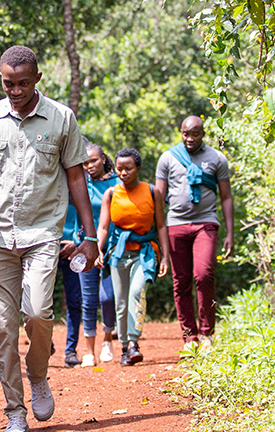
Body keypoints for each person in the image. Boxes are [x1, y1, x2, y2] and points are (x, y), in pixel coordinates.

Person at [0, 45, 97, 432]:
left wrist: (90, 237)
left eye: (23, 83)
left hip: (44, 234)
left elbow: (76, 177)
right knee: (4, 328)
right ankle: (14, 413)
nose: (16, 90)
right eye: (8, 83)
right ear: (1, 79)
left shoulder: (61, 118)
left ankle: (38, 374)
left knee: (38, 313)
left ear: (37, 79)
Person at [155, 115, 234, 349]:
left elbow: (226, 198)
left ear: (203, 134)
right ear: (181, 132)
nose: (190, 138)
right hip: (175, 224)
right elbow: (159, 200)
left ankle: (207, 333)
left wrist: (230, 233)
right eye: (185, 133)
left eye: (195, 134)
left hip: (206, 223)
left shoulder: (217, 158)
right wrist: (157, 235)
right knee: (181, 282)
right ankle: (190, 336)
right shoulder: (167, 158)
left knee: (204, 274)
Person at [97, 148, 169, 366]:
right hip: (119, 253)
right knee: (120, 301)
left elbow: (161, 225)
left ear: (138, 168)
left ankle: (134, 343)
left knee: (137, 293)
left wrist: (165, 256)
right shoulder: (111, 194)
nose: (123, 173)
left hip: (144, 252)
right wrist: (98, 250)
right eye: (119, 169)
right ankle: (125, 348)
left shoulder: (151, 191)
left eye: (128, 168)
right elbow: (102, 227)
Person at [77, 143, 119, 366]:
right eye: (85, 163)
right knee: (88, 299)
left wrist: (105, 248)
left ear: (103, 159)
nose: (89, 166)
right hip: (85, 247)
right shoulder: (81, 184)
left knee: (108, 297)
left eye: (93, 161)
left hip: (111, 249)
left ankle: (108, 340)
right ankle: (89, 352)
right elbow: (75, 215)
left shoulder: (118, 184)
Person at [57, 198, 83, 367]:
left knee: (74, 301)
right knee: (39, 300)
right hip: (47, 247)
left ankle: (71, 350)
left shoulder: (82, 186)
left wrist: (77, 242)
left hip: (76, 250)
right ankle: (44, 343)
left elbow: (91, 217)